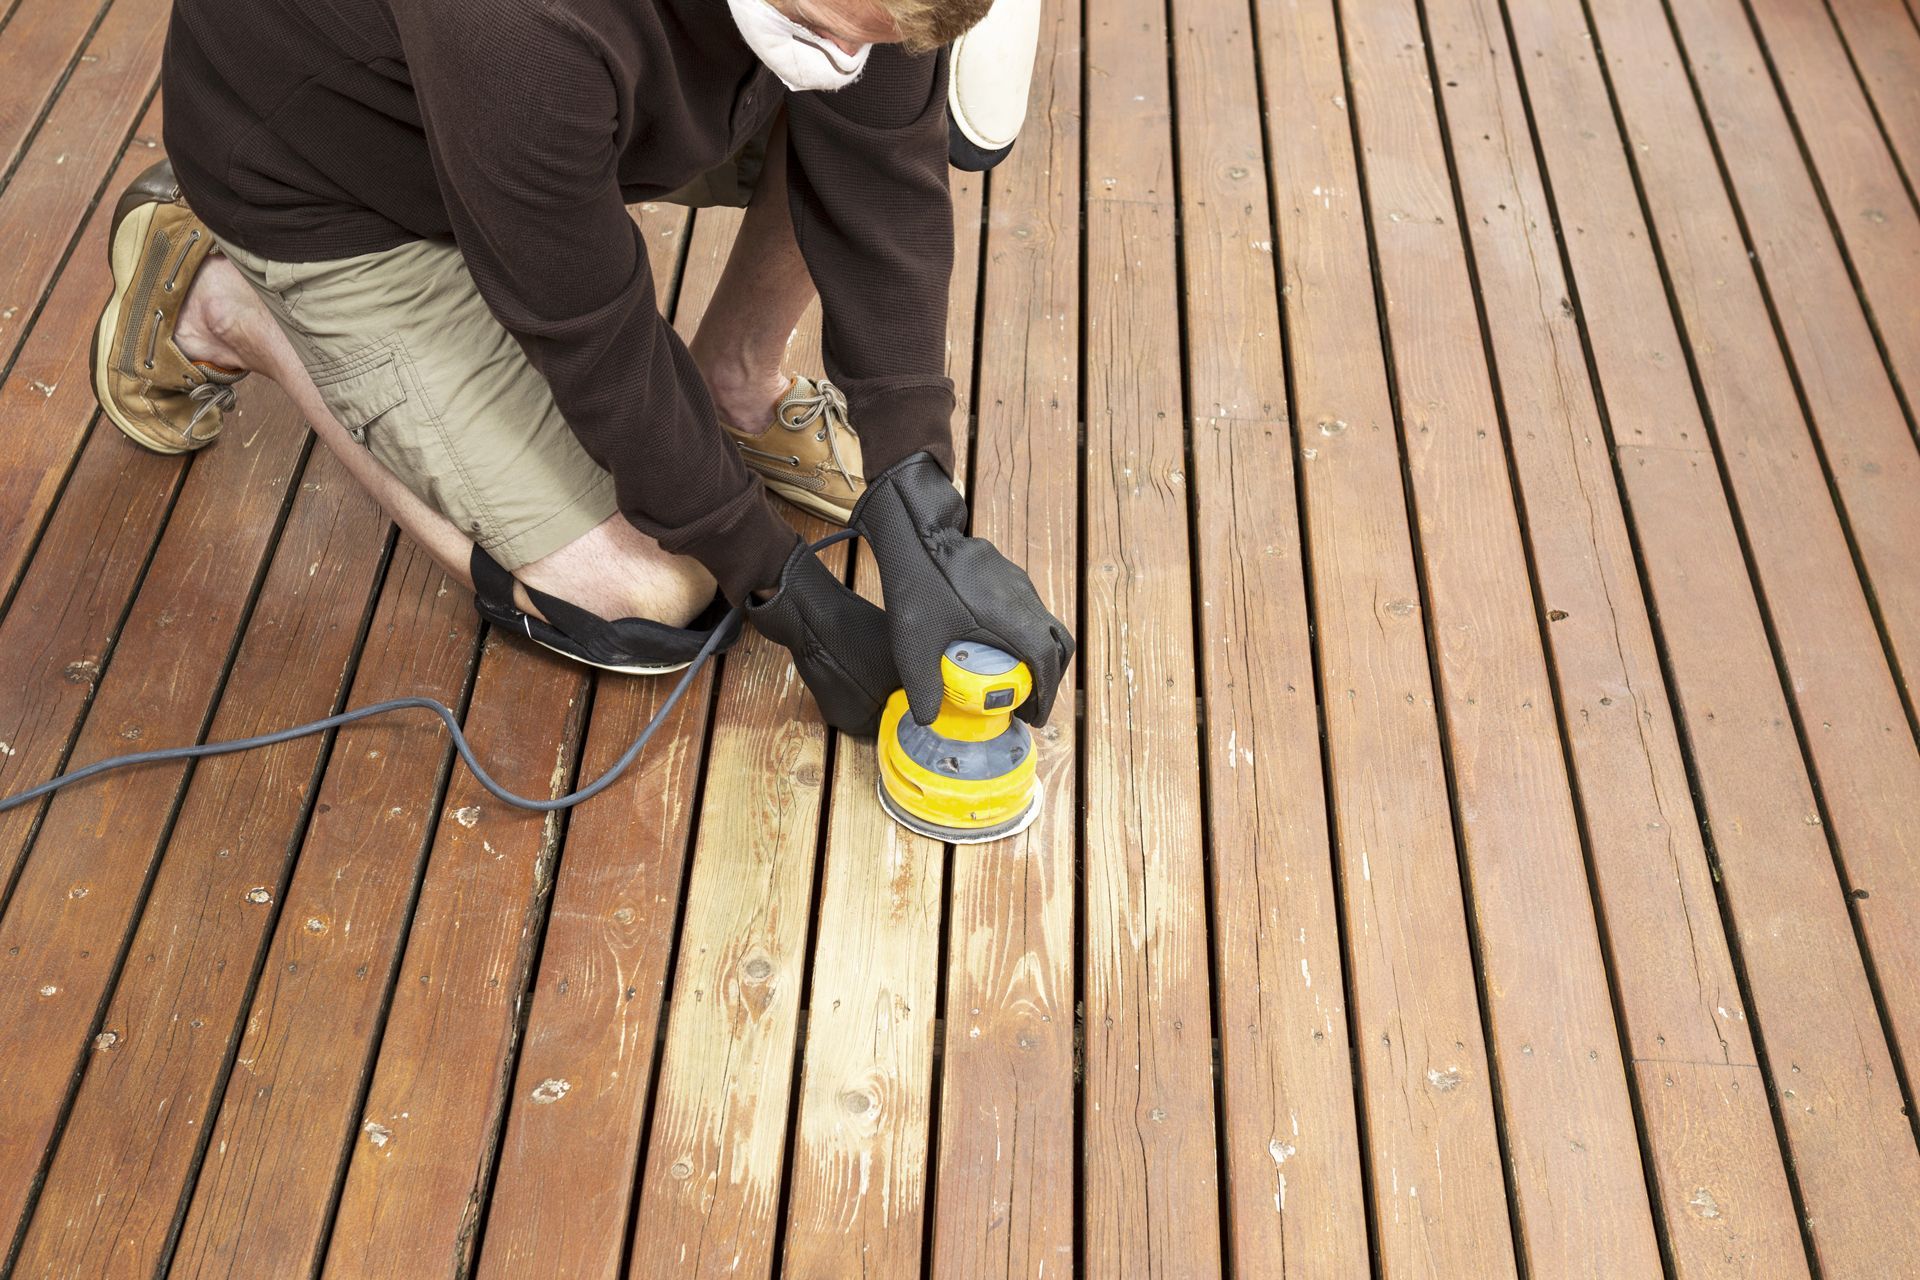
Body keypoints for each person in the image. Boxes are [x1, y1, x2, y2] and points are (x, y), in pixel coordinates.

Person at [92, 0, 1070, 736]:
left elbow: (881, 149)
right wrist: (782, 591)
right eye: (825, 26)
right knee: (648, 596)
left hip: (534, 122)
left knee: (858, 94)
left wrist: (917, 496)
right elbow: (599, 344)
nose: (849, 61)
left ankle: (738, 374)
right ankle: (229, 305)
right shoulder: (518, 25)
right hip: (330, 181)